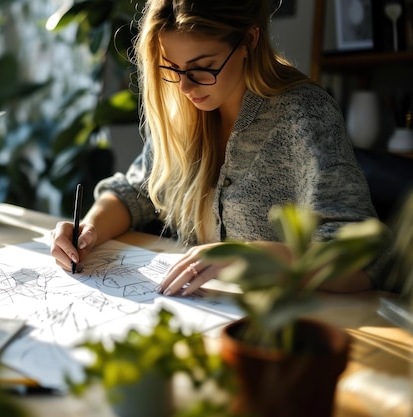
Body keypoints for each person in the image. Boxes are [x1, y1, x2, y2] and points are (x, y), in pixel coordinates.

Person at [50, 0, 390, 294]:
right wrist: (89, 230)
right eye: (173, 67)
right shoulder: (184, 110)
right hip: (204, 315)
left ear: (249, 40)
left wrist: (248, 256)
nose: (184, 86)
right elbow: (136, 191)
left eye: (202, 68)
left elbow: (363, 258)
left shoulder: (304, 115)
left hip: (288, 329)